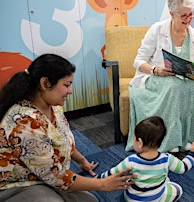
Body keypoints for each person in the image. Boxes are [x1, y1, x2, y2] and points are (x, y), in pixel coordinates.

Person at [0, 54, 134, 202]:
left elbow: (62, 139)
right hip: (19, 184)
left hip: (45, 175)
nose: (70, 91)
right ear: (45, 83)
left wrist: (82, 161)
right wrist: (102, 184)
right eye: (66, 85)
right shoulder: (25, 124)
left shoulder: (53, 107)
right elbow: (56, 178)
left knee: (90, 200)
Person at [126, 0, 194, 153]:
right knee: (175, 86)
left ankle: (187, 138)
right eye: (184, 15)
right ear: (172, 14)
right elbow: (138, 61)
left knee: (193, 87)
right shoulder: (157, 30)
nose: (189, 18)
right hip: (154, 78)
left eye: (191, 14)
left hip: (183, 81)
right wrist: (156, 70)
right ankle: (170, 141)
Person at [99, 116, 194, 201]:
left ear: (139, 142)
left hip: (131, 199)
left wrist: (97, 179)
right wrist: (193, 153)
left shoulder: (131, 161)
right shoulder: (167, 158)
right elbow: (183, 168)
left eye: (134, 138)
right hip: (156, 199)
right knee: (177, 189)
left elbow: (112, 173)